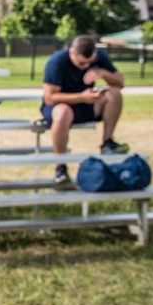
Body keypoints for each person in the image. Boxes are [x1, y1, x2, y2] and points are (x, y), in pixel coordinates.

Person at [41, 34, 129, 189]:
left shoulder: (98, 58)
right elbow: (50, 98)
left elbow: (120, 83)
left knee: (114, 93)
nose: (86, 66)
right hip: (60, 106)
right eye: (82, 63)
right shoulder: (57, 62)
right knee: (63, 112)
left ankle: (107, 143)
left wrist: (103, 73)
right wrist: (81, 97)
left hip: (86, 102)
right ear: (72, 53)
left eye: (90, 62)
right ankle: (60, 167)